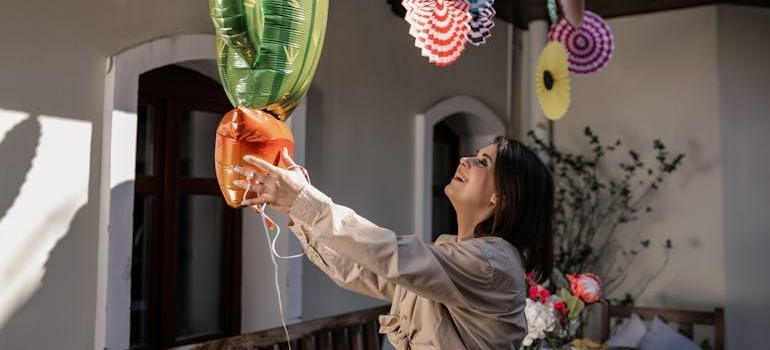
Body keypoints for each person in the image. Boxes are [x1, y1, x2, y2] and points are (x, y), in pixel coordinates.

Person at [233, 136, 554, 349]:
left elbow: (391, 255)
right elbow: (367, 272)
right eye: (474, 154)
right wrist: (297, 210)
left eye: (483, 162)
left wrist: (305, 200)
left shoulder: (491, 264)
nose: (465, 160)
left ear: (503, 198)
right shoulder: (458, 253)